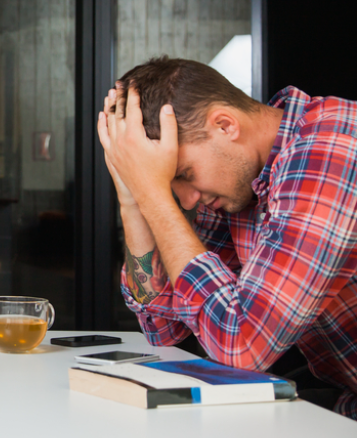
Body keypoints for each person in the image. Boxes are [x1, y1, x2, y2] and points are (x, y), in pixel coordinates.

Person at [96, 56, 357, 419]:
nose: (187, 201)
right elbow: (165, 327)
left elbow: (241, 344)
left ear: (225, 125)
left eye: (184, 174)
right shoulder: (243, 181)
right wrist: (133, 199)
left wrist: (153, 195)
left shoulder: (332, 150)